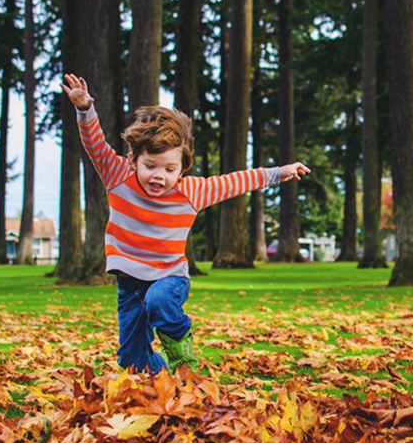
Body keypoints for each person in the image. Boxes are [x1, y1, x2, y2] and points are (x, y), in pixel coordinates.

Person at [60, 74, 310, 374]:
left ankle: (182, 355)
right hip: (128, 284)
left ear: (183, 168)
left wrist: (279, 172)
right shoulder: (117, 177)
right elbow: (95, 145)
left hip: (169, 277)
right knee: (131, 361)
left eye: (169, 169)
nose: (158, 176)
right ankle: (166, 378)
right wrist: (85, 109)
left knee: (159, 300)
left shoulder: (191, 191)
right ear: (133, 159)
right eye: (150, 166)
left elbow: (235, 181)